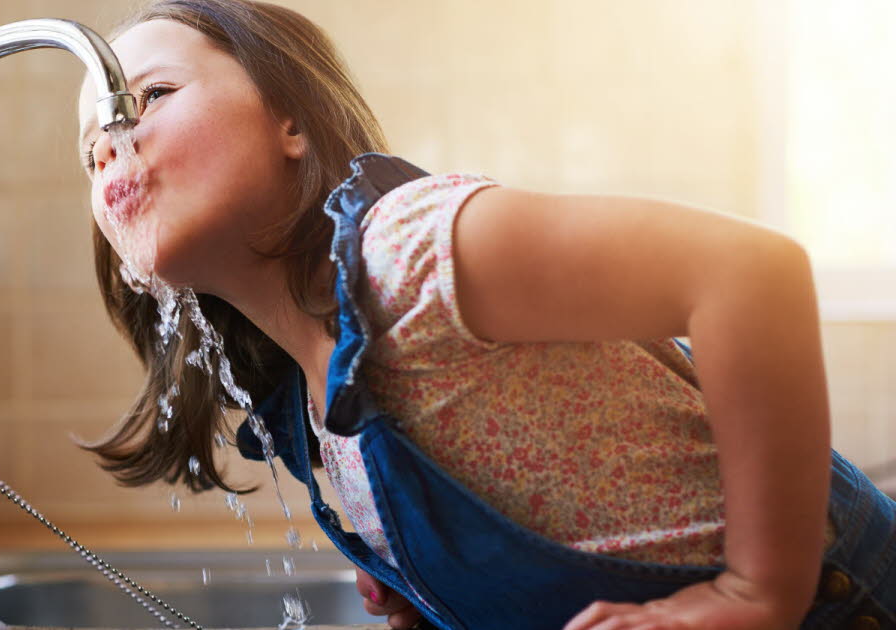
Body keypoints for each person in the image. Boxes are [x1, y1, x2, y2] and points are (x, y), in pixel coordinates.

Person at [75, 1, 896, 628]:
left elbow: (754, 273)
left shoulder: (408, 251)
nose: (112, 142)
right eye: (89, 150)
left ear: (289, 120)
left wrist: (759, 590)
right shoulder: (305, 409)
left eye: (149, 96)